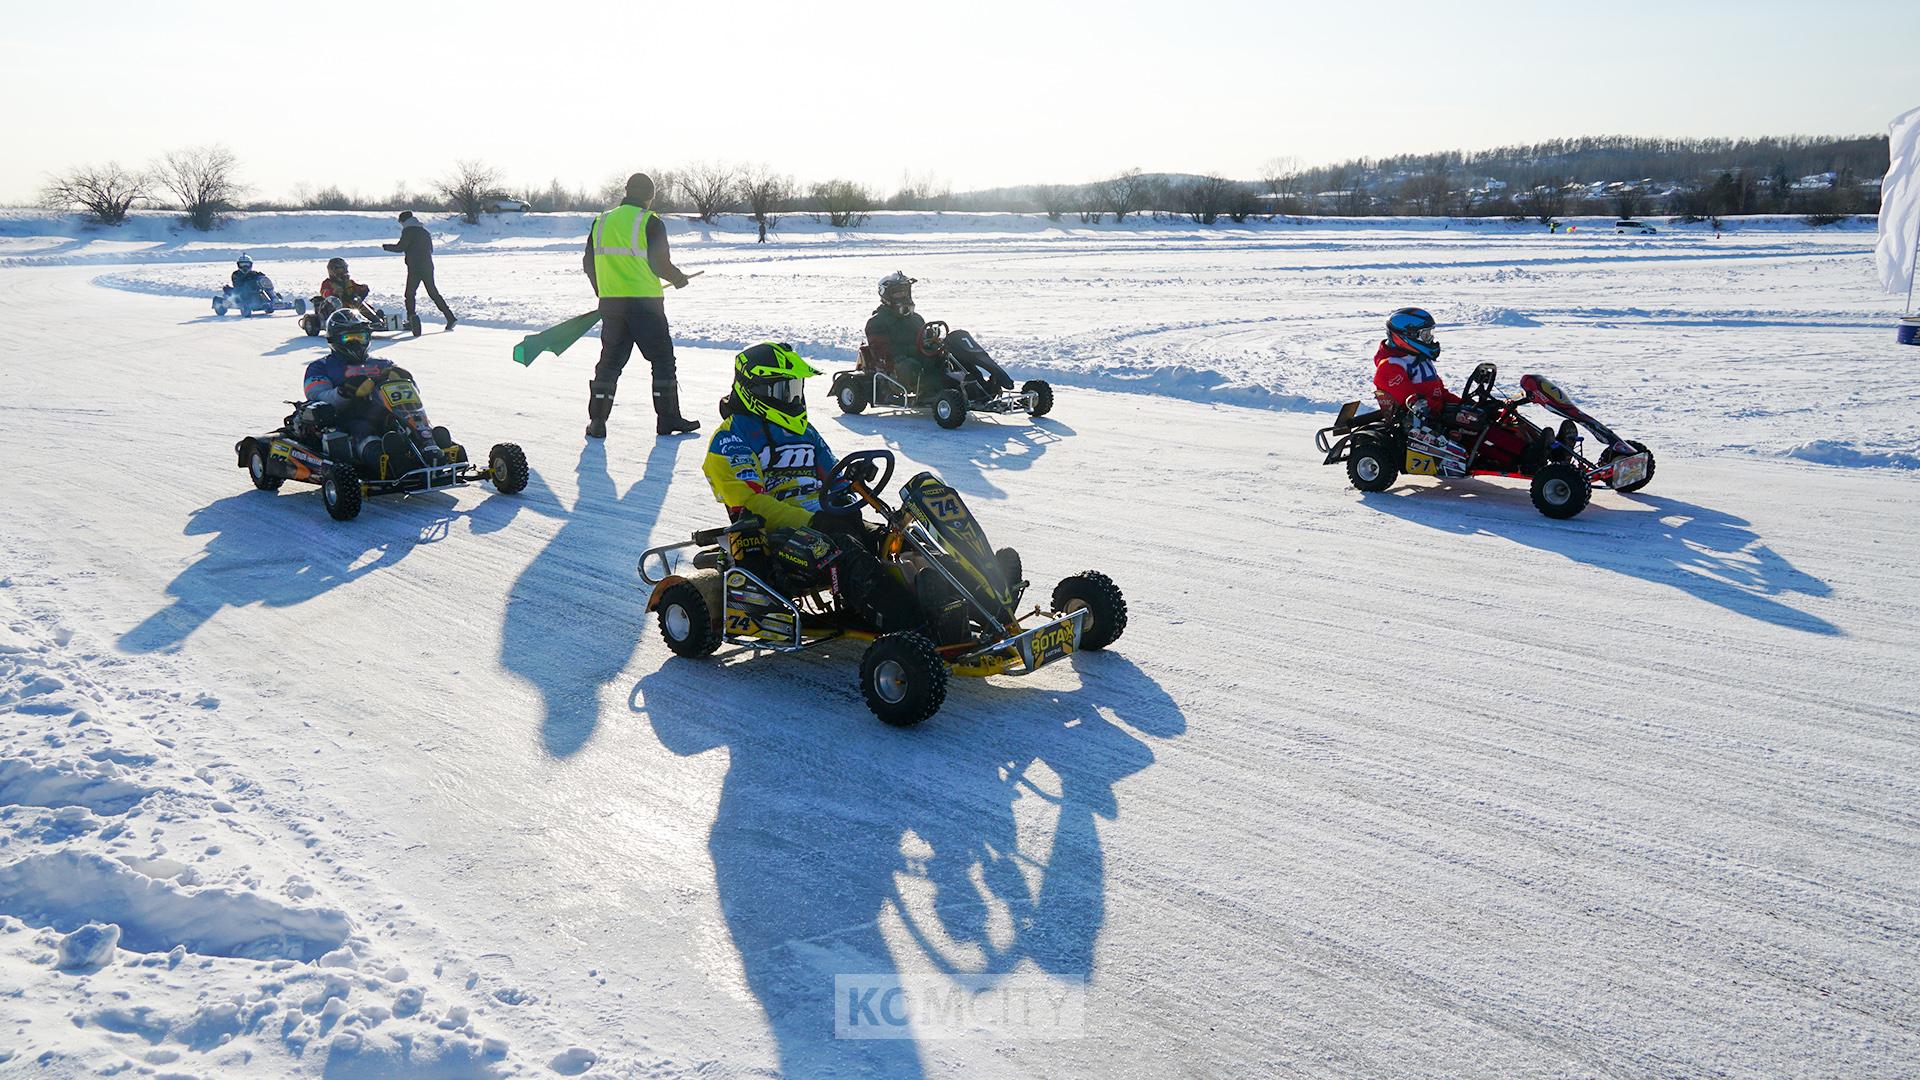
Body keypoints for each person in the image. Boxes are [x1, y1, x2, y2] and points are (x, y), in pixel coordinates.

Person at [704, 342, 918, 632]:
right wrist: (812, 520)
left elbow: (834, 476)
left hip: (828, 519)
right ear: (755, 390)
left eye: (795, 388)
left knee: (901, 540)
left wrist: (853, 478)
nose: (792, 397)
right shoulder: (730, 438)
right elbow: (751, 505)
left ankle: (972, 603)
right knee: (845, 550)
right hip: (778, 536)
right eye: (783, 390)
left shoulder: (805, 431)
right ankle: (909, 625)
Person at [582, 172, 698, 439]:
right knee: (662, 361)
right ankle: (667, 419)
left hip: (612, 306)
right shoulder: (650, 221)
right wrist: (678, 278)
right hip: (646, 306)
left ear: (626, 191)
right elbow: (659, 263)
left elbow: (589, 264)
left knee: (609, 364)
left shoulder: (600, 222)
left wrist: (604, 292)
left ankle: (597, 421)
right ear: (650, 196)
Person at [303, 310, 443, 467]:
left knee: (413, 422)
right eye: (349, 338)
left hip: (386, 415)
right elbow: (315, 396)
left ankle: (431, 443)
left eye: (360, 337)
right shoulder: (321, 367)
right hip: (347, 417)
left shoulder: (384, 363)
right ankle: (382, 459)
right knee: (363, 429)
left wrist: (406, 379)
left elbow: (410, 394)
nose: (356, 343)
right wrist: (344, 392)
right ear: (334, 339)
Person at [382, 211, 456, 330]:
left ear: (404, 221)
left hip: (415, 268)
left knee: (409, 294)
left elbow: (401, 247)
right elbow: (430, 250)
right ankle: (450, 317)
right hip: (428, 266)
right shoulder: (424, 231)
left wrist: (386, 247)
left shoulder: (408, 231)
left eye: (400, 222)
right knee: (433, 293)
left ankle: (411, 319)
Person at [319, 257, 379, 322]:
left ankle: (376, 318)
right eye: (342, 269)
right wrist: (332, 292)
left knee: (361, 305)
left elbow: (357, 288)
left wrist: (363, 288)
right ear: (333, 270)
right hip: (337, 306)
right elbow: (324, 293)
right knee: (344, 307)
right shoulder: (327, 283)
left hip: (351, 304)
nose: (345, 271)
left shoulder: (349, 282)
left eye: (345, 268)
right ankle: (349, 321)